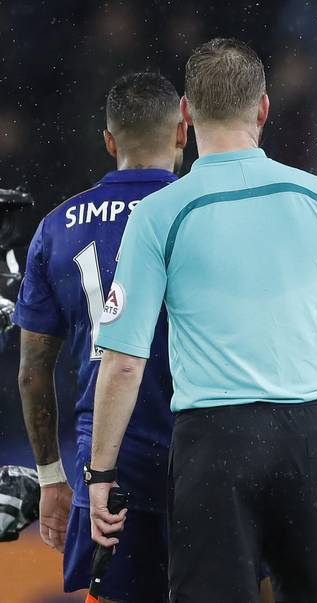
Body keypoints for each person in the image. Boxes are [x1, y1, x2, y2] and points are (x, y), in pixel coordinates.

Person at [87, 38, 317, 603]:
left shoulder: (160, 214)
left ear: (186, 113)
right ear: (264, 108)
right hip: (308, 434)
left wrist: (100, 474)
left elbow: (125, 362)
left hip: (214, 441)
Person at [14, 72, 186, 602]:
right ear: (183, 130)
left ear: (109, 140)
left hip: (109, 466)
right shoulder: (202, 213)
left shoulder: (58, 226)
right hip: (206, 452)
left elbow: (31, 371)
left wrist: (50, 476)